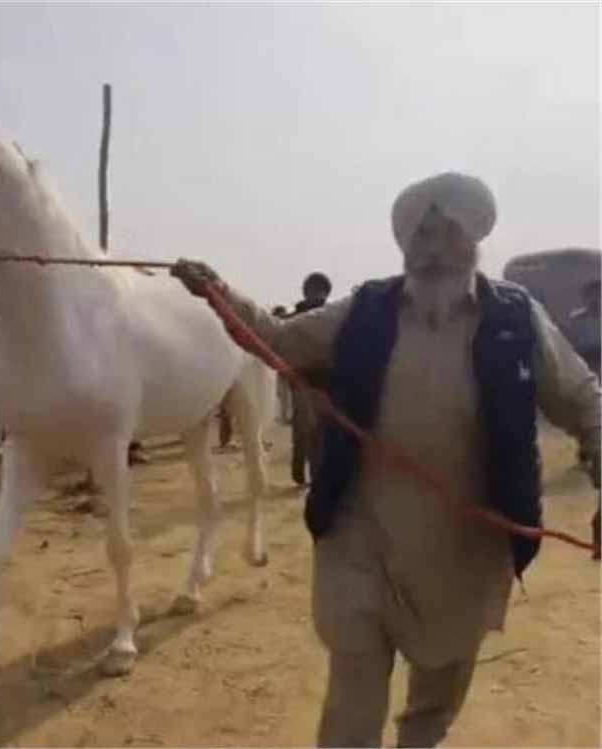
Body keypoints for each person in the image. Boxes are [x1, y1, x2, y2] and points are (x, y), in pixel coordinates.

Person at [173, 172, 601, 748]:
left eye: (448, 231)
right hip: (361, 538)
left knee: (436, 695)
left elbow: (581, 398)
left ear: (474, 237)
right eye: (421, 233)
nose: (434, 247)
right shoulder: (367, 308)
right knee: (353, 689)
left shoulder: (515, 316)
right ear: (404, 243)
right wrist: (220, 292)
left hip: (467, 548)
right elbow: (281, 340)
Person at [290, 273, 332, 485]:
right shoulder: (332, 316)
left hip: (301, 383)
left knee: (303, 431)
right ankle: (315, 479)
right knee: (317, 436)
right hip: (323, 386)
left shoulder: (293, 317)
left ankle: (299, 471)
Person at [271, 305, 293, 425]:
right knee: (283, 393)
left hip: (285, 364)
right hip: (279, 364)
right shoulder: (280, 328)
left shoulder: (283, 328)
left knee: (284, 393)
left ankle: (285, 417)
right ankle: (284, 416)